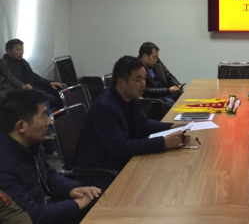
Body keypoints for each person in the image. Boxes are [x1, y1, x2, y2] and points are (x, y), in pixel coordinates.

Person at [74, 56, 190, 190]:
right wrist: (163, 142)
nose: (143, 84)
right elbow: (119, 147)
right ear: (121, 82)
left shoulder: (130, 97)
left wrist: (171, 126)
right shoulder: (105, 107)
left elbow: (143, 123)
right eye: (138, 80)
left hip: (121, 162)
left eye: (144, 79)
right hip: (101, 173)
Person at [0, 89, 101, 224]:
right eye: (43, 116)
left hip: (48, 207)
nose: (49, 121)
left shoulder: (32, 143)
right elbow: (30, 215)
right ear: (21, 126)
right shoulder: (4, 165)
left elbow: (48, 173)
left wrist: (71, 189)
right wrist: (75, 205)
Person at [3, 39, 64, 110]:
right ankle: (55, 116)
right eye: (18, 50)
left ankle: (66, 114)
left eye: (22, 49)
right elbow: (15, 83)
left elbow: (33, 76)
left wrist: (49, 83)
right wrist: (31, 88)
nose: (21, 52)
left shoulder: (22, 61)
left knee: (63, 90)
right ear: (8, 51)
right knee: (53, 99)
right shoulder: (5, 65)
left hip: (36, 86)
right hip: (26, 90)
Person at [138, 42, 184, 108]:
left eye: (157, 57)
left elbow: (168, 75)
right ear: (144, 56)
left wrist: (177, 85)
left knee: (186, 97)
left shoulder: (157, 62)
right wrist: (168, 90)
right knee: (176, 107)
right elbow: (145, 90)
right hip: (157, 99)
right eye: (154, 57)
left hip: (168, 93)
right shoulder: (137, 68)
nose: (156, 60)